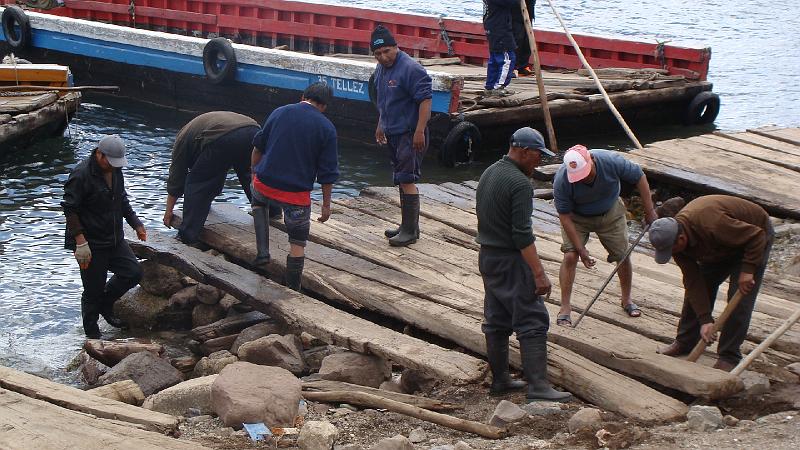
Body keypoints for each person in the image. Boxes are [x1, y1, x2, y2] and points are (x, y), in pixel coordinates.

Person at [476, 127, 571, 402]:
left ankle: (501, 380)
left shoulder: (490, 172)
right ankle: (539, 387)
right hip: (510, 260)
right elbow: (522, 235)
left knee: (497, 319)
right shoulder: (519, 184)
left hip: (488, 257)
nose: (539, 162)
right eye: (537, 156)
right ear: (523, 151)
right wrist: (539, 274)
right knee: (532, 319)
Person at [649, 195, 774, 372]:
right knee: (698, 289)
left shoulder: (711, 222)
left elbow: (756, 236)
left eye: (671, 250)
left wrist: (748, 269)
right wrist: (705, 320)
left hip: (753, 238)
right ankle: (685, 342)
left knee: (739, 298)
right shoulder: (676, 243)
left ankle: (729, 356)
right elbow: (693, 282)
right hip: (717, 245)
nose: (671, 254)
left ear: (682, 239)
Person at [552, 145, 657, 326]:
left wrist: (649, 211)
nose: (584, 178)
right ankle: (565, 307)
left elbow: (639, 177)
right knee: (570, 256)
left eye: (586, 172)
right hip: (577, 218)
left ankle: (626, 299)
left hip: (610, 212)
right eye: (579, 176)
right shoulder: (562, 180)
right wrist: (580, 249)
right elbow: (565, 217)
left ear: (591, 159)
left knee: (623, 255)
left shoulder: (610, 160)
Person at [250, 82, 339, 291]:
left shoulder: (279, 112)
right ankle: (293, 288)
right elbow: (327, 175)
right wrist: (326, 206)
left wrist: (254, 172)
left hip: (264, 186)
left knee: (258, 202)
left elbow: (257, 147)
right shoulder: (327, 128)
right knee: (297, 243)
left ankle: (262, 253)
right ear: (325, 106)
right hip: (295, 197)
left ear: (303, 96)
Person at [62, 135, 146, 339]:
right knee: (92, 291)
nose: (113, 166)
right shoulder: (81, 175)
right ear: (99, 154)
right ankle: (92, 337)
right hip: (90, 243)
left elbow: (122, 199)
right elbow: (70, 210)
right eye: (110, 162)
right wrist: (80, 242)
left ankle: (106, 305)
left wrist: (136, 223)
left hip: (114, 238)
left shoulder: (116, 171)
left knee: (133, 272)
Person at [163, 111, 277, 244]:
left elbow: (176, 179)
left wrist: (169, 211)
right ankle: (273, 210)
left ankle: (187, 236)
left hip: (225, 136)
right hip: (253, 130)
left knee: (198, 183)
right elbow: (216, 171)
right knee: (252, 176)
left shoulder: (182, 142)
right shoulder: (198, 131)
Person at [371, 25, 433, 247]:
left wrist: (419, 130)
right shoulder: (380, 69)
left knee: (407, 178)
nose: (383, 57)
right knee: (400, 177)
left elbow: (425, 100)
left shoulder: (411, 69)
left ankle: (409, 231)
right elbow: (384, 100)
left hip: (409, 133)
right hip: (393, 130)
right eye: (378, 54)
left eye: (387, 51)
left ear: (396, 47)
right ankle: (408, 226)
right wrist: (381, 124)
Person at [483, 0, 518, 96]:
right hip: (499, 29)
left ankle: (490, 86)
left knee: (495, 58)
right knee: (507, 58)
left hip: (492, 26)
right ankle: (498, 86)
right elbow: (511, 3)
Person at [511, 0, 537, 76]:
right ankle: (512, 68)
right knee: (517, 39)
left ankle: (522, 66)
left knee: (527, 41)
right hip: (516, 14)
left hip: (528, 12)